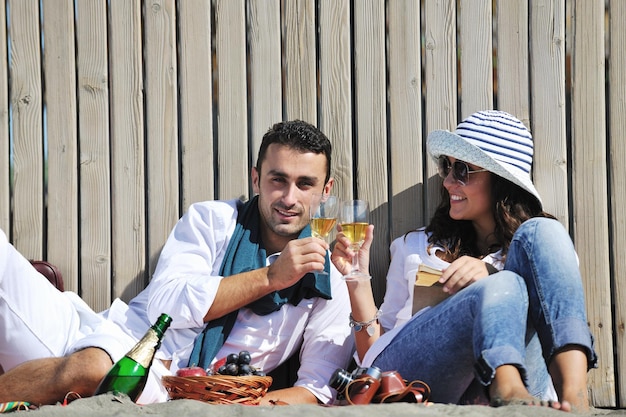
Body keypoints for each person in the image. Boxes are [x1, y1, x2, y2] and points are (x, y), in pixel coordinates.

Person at [0, 120, 354, 405]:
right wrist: (271, 277)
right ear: (256, 179)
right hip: (100, 330)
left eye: (305, 184)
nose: (289, 198)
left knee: (100, 367)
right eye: (278, 179)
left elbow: (316, 387)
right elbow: (165, 304)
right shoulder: (213, 220)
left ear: (325, 191)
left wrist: (244, 409)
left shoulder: (328, 282)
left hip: (164, 387)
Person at [331, 110, 597, 412]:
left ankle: (575, 397)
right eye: (448, 167)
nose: (447, 181)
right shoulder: (417, 247)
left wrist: (490, 272)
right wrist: (357, 280)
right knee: (505, 283)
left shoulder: (542, 254)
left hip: (530, 383)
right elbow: (373, 358)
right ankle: (506, 389)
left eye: (463, 170)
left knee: (544, 230)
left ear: (500, 182)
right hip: (419, 379)